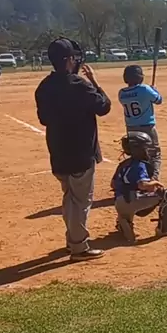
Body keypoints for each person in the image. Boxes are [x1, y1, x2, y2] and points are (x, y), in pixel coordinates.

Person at [35, 38, 111, 261]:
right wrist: (94, 82)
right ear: (68, 60)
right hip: (81, 151)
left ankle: (72, 240)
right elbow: (104, 107)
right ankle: (78, 247)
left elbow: (44, 119)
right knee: (80, 201)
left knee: (70, 197)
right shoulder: (79, 85)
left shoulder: (44, 87)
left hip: (58, 150)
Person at [111, 132, 167, 243]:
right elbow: (142, 185)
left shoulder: (123, 164)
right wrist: (155, 183)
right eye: (145, 148)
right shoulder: (139, 165)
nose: (147, 150)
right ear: (137, 150)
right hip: (131, 201)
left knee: (128, 196)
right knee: (166, 194)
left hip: (119, 202)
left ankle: (123, 221)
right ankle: (164, 229)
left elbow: (113, 184)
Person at [118, 64, 162, 178]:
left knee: (136, 154)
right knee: (154, 153)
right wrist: (154, 90)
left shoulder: (121, 93)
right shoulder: (145, 89)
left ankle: (138, 177)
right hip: (147, 126)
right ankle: (153, 179)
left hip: (131, 128)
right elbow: (158, 100)